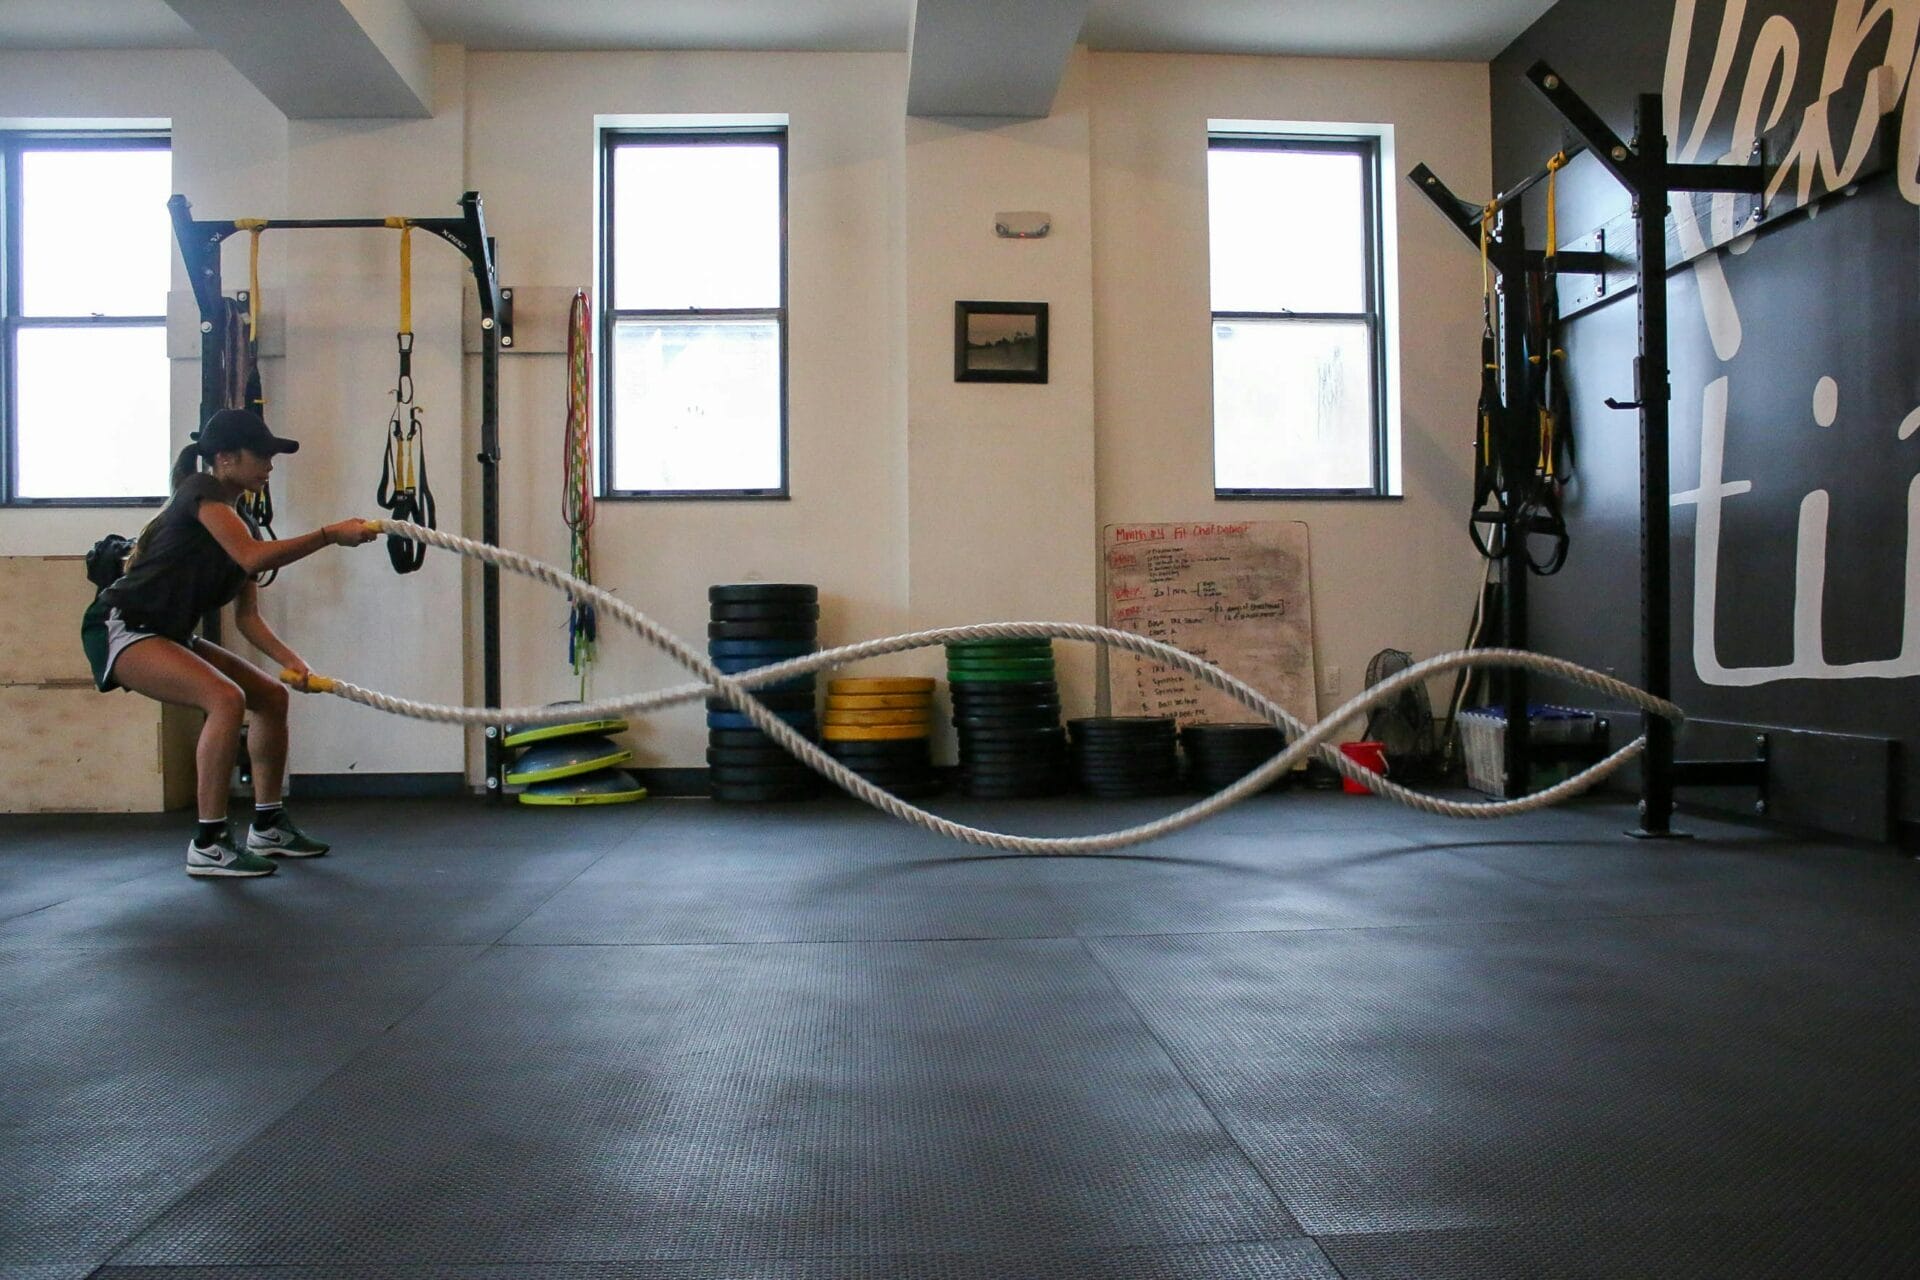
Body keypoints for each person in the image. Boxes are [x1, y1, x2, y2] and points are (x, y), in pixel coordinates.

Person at [81, 408, 379, 878]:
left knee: (271, 695)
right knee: (225, 699)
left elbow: (248, 619)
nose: (269, 464)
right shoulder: (201, 494)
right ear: (224, 458)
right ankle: (209, 842)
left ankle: (268, 824)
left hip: (170, 633)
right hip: (123, 626)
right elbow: (251, 557)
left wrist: (293, 661)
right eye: (260, 455)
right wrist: (327, 535)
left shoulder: (243, 522)